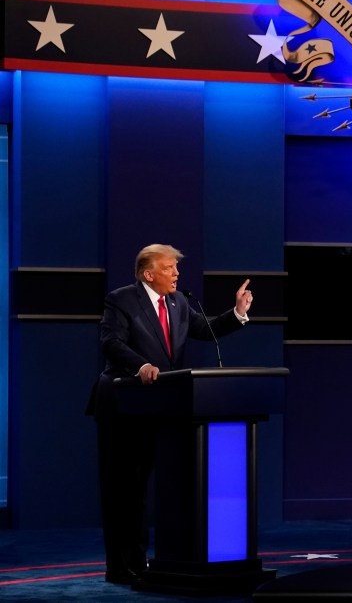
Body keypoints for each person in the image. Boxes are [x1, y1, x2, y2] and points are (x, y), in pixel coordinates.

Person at [85, 244, 254, 585]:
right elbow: (111, 343)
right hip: (123, 406)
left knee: (148, 490)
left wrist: (236, 313)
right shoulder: (121, 300)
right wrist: (141, 365)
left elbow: (204, 329)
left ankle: (143, 560)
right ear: (149, 274)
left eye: (177, 267)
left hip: (161, 408)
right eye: (169, 268)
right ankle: (120, 567)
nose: (177, 273)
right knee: (123, 491)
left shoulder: (178, 303)